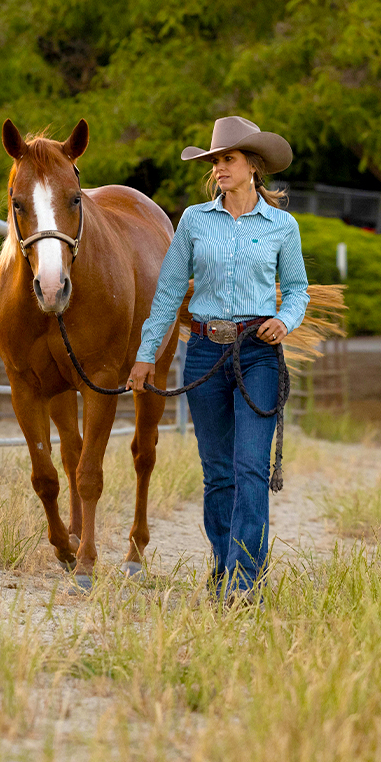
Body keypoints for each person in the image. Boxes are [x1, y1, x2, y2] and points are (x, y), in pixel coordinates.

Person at [125, 116, 309, 604]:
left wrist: (285, 321)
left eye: (228, 158)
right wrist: (146, 356)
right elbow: (167, 293)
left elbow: (296, 291)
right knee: (219, 471)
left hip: (259, 354)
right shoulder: (192, 221)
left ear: (253, 165)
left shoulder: (281, 226)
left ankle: (244, 581)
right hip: (205, 351)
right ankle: (224, 564)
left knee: (250, 466)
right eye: (215, 161)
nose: (219, 168)